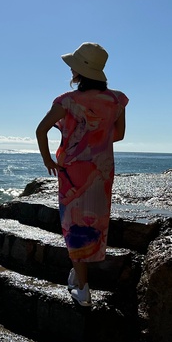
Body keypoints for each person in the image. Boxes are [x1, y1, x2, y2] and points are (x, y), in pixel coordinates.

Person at [36, 42, 128, 306]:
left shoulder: (67, 101)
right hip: (101, 170)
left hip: (72, 171)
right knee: (94, 222)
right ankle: (79, 276)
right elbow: (118, 134)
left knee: (73, 224)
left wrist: (48, 159)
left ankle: (84, 289)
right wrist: (91, 134)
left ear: (78, 73)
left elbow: (41, 130)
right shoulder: (116, 99)